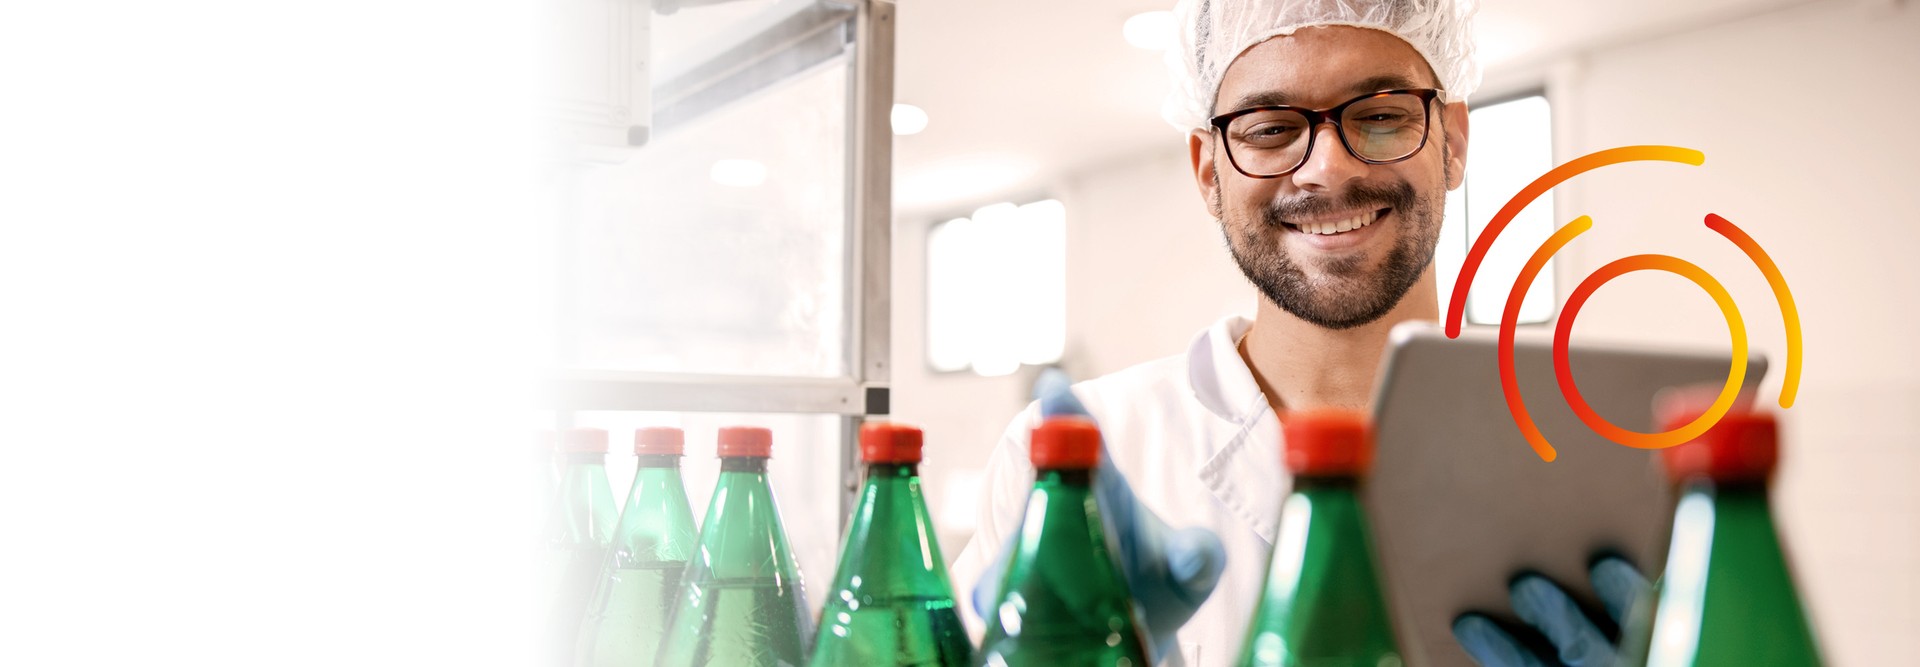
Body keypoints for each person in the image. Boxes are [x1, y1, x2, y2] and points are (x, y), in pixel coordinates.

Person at [948, 1, 1647, 666]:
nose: (1328, 167)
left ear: (1454, 140)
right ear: (1207, 171)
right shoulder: (1085, 460)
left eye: (1379, 115)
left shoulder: (1599, 451)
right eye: (1270, 129)